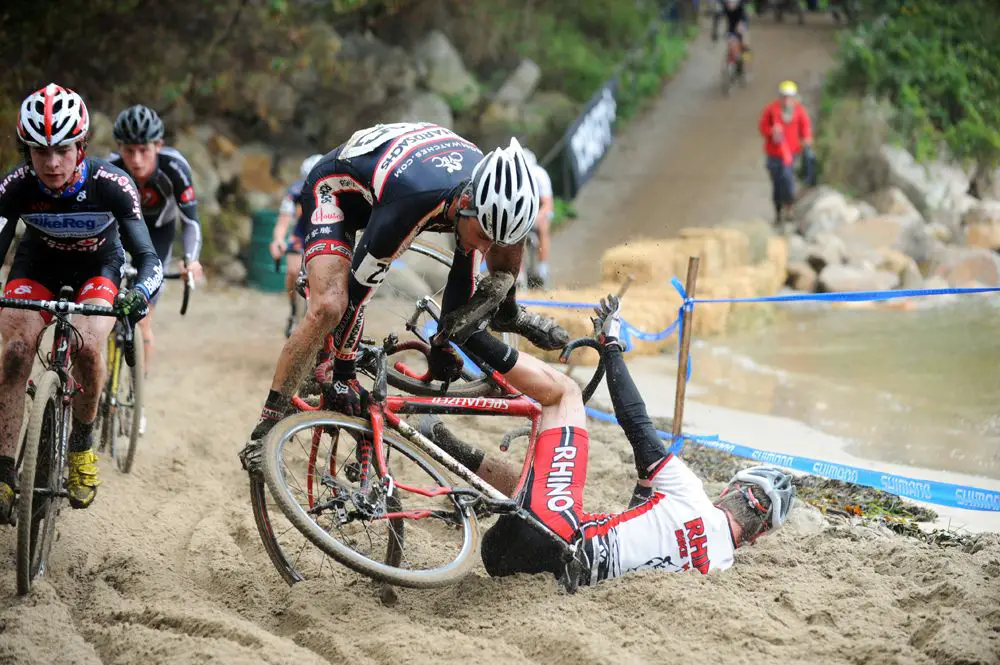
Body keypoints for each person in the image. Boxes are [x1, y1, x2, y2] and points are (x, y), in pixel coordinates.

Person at [240, 122, 572, 462]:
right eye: (483, 235)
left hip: (413, 181)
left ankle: (509, 314)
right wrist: (343, 372)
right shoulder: (413, 201)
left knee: (473, 289)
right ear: (466, 202)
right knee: (330, 305)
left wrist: (449, 340)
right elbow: (358, 294)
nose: (486, 248)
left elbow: (480, 275)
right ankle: (266, 423)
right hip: (339, 192)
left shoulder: (487, 207)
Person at [420, 295, 796, 587]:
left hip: (555, 534)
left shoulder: (693, 495)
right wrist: (645, 486)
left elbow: (635, 421)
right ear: (757, 534)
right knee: (544, 485)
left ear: (732, 490)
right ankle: (447, 446)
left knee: (565, 394)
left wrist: (611, 344)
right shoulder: (717, 567)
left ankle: (468, 334)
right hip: (534, 567)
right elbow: (641, 536)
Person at [0, 84, 161, 519]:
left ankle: (81, 449)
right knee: (15, 352)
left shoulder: (113, 185)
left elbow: (148, 258)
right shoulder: (14, 187)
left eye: (64, 150)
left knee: (90, 347)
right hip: (37, 266)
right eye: (39, 151)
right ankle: (2, 471)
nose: (52, 163)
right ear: (27, 151)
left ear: (82, 146)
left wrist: (140, 294)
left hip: (98, 267)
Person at [108, 104, 203, 433]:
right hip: (120, 236)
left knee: (142, 318)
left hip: (158, 239)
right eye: (128, 151)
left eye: (143, 150)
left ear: (158, 146)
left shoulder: (175, 168)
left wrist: (191, 259)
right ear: (119, 149)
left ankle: (136, 393)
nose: (136, 160)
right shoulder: (108, 169)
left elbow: (191, 222)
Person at [269, 153, 323, 338]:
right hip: (302, 234)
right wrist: (278, 239)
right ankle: (293, 312)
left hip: (325, 233)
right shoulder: (295, 191)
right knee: (293, 271)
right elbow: (284, 221)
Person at [758, 80, 815, 225]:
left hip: (791, 154)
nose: (787, 100)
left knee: (788, 180)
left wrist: (807, 141)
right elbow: (762, 127)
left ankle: (789, 207)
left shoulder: (799, 111)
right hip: (774, 154)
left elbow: (806, 128)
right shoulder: (771, 111)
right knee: (777, 184)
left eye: (790, 97)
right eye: (784, 96)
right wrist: (771, 132)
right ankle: (778, 212)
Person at [522, 149, 554, 289]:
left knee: (543, 226)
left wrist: (536, 218)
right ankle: (520, 271)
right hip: (522, 215)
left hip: (538, 214)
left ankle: (542, 268)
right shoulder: (515, 175)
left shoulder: (540, 175)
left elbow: (547, 204)